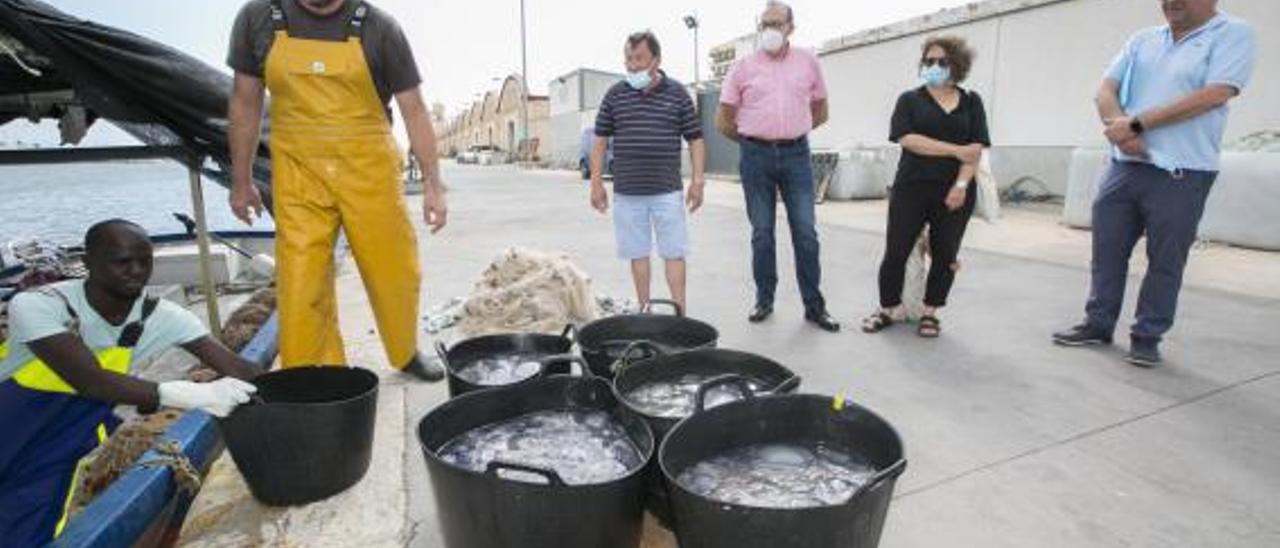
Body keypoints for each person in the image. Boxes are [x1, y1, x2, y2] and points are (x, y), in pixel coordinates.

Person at [0, 220, 261, 547]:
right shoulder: (40, 304)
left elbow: (237, 367)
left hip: (61, 444)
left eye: (144, 261)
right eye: (122, 261)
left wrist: (299, 390)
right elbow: (89, 380)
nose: (136, 271)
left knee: (28, 525)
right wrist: (191, 394)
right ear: (90, 262)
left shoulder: (163, 317)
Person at [226, 0, 447, 380]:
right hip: (299, 172)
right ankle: (317, 377)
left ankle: (405, 350)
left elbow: (414, 110)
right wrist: (241, 182)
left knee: (394, 271)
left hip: (369, 170)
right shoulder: (258, 18)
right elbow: (245, 103)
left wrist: (432, 184)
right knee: (301, 281)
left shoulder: (380, 28)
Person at [1053, 0, 1255, 367]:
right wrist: (1122, 130)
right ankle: (1098, 323)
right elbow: (1105, 91)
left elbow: (1215, 94)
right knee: (1107, 251)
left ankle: (1147, 335)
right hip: (1125, 166)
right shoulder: (1142, 39)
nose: (1170, 2)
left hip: (1184, 171)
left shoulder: (1232, 34)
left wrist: (1139, 123)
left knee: (1165, 259)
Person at [715, 1, 840, 332]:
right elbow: (723, 120)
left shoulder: (808, 62)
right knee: (762, 233)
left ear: (790, 28)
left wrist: (790, 132)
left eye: (776, 23)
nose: (770, 29)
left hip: (797, 156)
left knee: (806, 233)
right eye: (765, 24)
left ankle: (814, 306)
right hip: (755, 157)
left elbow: (821, 110)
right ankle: (764, 300)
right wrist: (754, 140)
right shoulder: (742, 67)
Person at [861, 36, 990, 338]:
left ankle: (930, 313)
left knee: (945, 254)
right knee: (896, 250)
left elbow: (974, 150)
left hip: (955, 192)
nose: (933, 66)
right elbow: (909, 140)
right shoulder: (910, 100)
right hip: (912, 188)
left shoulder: (972, 101)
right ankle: (887, 308)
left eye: (941, 62)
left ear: (956, 65)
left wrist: (960, 185)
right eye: (928, 61)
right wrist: (954, 150)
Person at [590, 31, 706, 311]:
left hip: (667, 191)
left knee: (674, 253)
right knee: (637, 254)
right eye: (628, 59)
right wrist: (596, 183)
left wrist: (698, 181)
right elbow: (600, 140)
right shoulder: (615, 95)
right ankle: (645, 311)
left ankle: (680, 314)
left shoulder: (677, 93)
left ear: (656, 60)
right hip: (628, 193)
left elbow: (695, 139)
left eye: (639, 58)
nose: (632, 65)